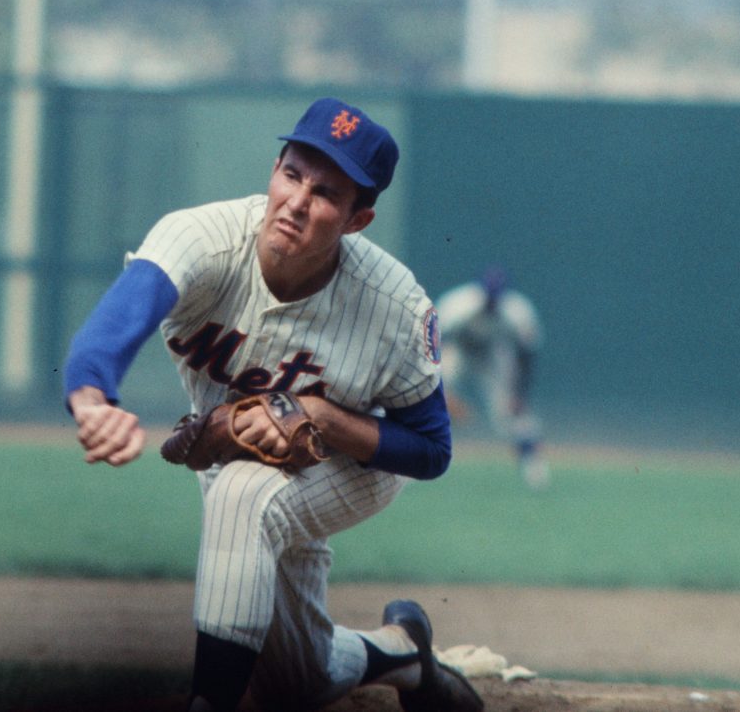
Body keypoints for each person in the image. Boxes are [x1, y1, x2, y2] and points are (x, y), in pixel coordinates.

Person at [62, 98, 482, 712]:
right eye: (292, 174)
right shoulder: (204, 240)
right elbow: (116, 322)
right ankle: (403, 650)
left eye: (326, 193)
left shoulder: (392, 305)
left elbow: (431, 450)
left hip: (353, 465)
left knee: (245, 493)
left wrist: (323, 417)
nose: (298, 202)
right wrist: (91, 396)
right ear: (275, 169)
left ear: (357, 219)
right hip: (230, 449)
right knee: (297, 682)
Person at [435, 267, 549, 489]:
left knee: (510, 413)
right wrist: (443, 393)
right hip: (459, 350)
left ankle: (533, 467)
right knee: (428, 393)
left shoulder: (518, 311)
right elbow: (434, 345)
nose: (492, 302)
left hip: (492, 357)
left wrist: (518, 395)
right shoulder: (458, 304)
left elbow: (526, 357)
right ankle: (407, 467)